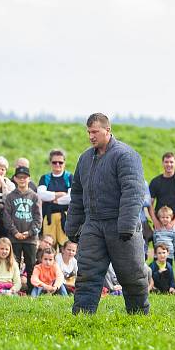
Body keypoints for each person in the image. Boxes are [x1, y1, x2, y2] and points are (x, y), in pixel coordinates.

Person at [65, 113, 150, 314]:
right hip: (93, 224)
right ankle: (83, 316)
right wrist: (73, 226)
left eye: (95, 131)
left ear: (107, 130)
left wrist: (127, 225)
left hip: (120, 225)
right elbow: (78, 193)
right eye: (89, 132)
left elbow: (133, 190)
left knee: (132, 275)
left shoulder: (126, 155)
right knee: (87, 274)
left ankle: (138, 315)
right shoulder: (85, 158)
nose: (91, 136)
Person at [148, 152, 175, 292]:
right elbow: (150, 203)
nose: (169, 165)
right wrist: (155, 220)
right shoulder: (156, 182)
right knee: (160, 257)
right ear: (163, 163)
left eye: (171, 162)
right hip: (161, 225)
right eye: (166, 162)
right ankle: (160, 288)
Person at [2, 166, 41, 281]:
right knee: (14, 265)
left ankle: (30, 291)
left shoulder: (35, 196)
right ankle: (15, 289)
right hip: (14, 238)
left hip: (31, 239)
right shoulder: (10, 197)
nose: (22, 179)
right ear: (15, 178)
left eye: (24, 177)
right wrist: (15, 232)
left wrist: (29, 232)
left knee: (31, 266)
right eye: (19, 177)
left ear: (29, 178)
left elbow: (38, 218)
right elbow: (7, 217)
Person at [38, 149, 72, 251]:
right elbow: (41, 194)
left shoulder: (69, 177)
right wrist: (60, 194)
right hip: (49, 217)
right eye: (54, 162)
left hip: (65, 217)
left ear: (64, 163)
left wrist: (54, 200)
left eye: (60, 162)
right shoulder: (45, 178)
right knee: (48, 247)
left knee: (65, 247)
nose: (57, 164)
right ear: (50, 163)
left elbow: (71, 198)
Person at [0, 156, 15, 237]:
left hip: (4, 216)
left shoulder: (9, 184)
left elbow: (9, 201)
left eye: (3, 169)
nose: (0, 171)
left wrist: (3, 184)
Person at [152, 206, 175, 271]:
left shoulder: (173, 229)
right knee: (156, 270)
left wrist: (172, 249)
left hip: (168, 254)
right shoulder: (157, 228)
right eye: (163, 217)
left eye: (167, 217)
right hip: (158, 254)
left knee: (167, 270)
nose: (165, 219)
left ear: (171, 218)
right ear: (159, 218)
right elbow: (155, 239)